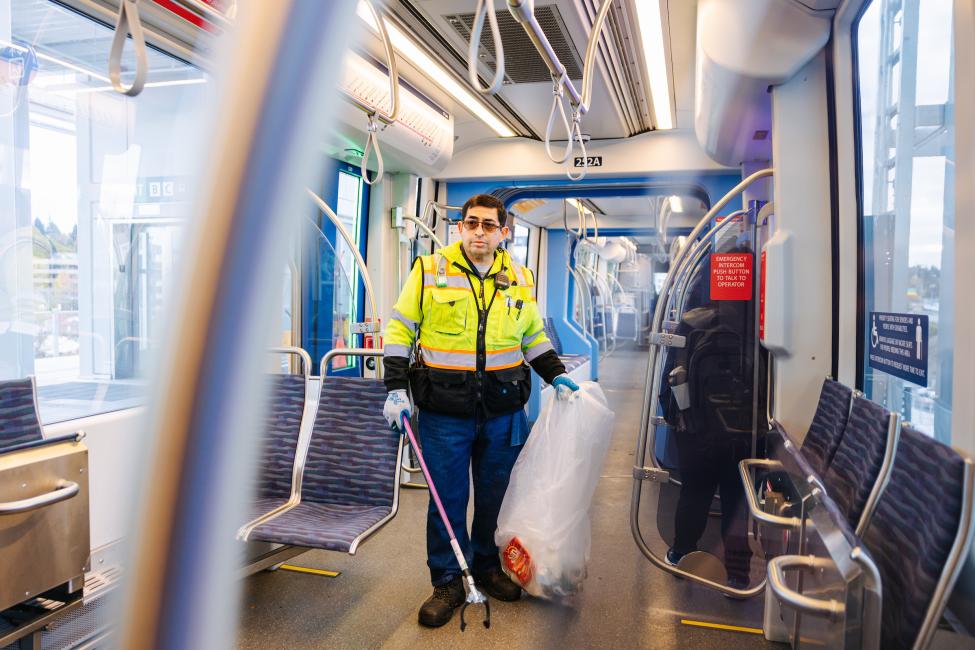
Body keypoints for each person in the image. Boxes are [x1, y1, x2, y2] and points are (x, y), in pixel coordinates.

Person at [382, 193, 579, 627]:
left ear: (503, 232)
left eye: (488, 225)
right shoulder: (430, 271)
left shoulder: (520, 277)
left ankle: (488, 567)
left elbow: (532, 336)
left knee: (496, 497)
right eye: (471, 223)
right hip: (443, 411)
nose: (478, 232)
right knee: (445, 500)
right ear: (460, 228)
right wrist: (396, 388)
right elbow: (399, 328)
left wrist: (556, 374)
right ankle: (449, 579)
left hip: (504, 408)